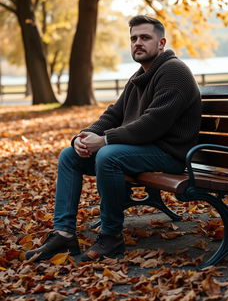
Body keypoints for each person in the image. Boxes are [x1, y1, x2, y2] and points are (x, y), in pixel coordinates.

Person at [25, 15, 201, 262]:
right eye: (133, 38)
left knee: (109, 156)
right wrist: (84, 136)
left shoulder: (174, 72)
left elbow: (152, 124)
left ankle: (111, 237)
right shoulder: (140, 75)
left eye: (145, 38)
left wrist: (105, 140)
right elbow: (113, 114)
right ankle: (63, 234)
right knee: (69, 155)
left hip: (169, 155)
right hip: (143, 150)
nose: (137, 43)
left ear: (161, 43)